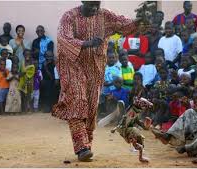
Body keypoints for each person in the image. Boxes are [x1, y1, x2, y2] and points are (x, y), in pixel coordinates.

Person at [52, 1, 142, 162]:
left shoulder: (105, 15)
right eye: (91, 4)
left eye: (97, 4)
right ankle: (82, 148)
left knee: (92, 107)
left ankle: (87, 145)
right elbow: (63, 38)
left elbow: (124, 24)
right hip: (72, 65)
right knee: (78, 101)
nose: (94, 8)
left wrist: (141, 20)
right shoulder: (69, 17)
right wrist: (87, 43)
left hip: (95, 66)